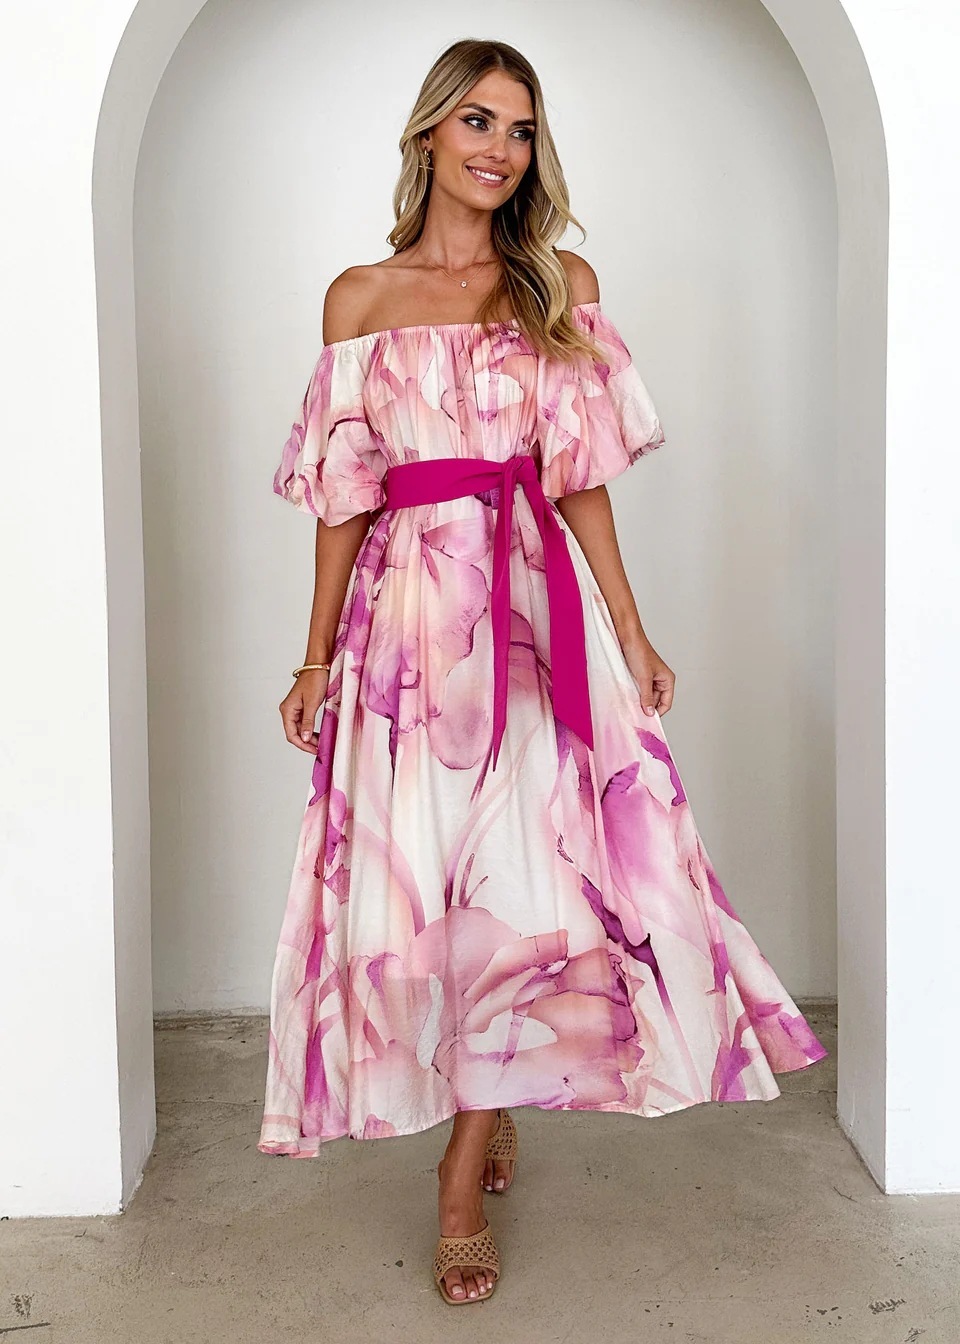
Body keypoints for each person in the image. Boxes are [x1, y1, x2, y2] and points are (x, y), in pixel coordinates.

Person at [258, 37, 828, 1306]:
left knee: (524, 880)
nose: (499, 149)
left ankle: (459, 1175)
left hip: (529, 615)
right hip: (409, 631)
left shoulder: (558, 286)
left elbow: (580, 481)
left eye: (520, 129)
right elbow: (344, 499)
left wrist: (630, 627)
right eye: (477, 121)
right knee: (430, 886)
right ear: (428, 134)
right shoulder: (359, 300)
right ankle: (491, 1089)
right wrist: (313, 656)